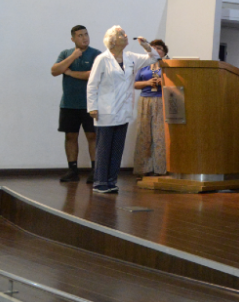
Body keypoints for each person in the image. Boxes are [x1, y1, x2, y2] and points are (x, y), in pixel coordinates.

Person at [86, 26, 161, 194]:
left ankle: (111, 181)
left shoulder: (131, 57)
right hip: (106, 110)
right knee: (104, 148)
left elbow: (155, 58)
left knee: (117, 149)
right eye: (121, 34)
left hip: (124, 110)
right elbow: (92, 84)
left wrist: (146, 46)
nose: (126, 35)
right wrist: (92, 107)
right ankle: (100, 182)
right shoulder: (102, 59)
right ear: (112, 40)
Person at [50, 25, 101, 184]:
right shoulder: (66, 54)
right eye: (80, 35)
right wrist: (73, 57)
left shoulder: (96, 54)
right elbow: (55, 71)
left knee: (92, 136)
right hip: (69, 104)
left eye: (86, 34)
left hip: (90, 104)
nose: (84, 38)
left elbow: (92, 75)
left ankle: (96, 170)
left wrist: (70, 72)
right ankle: (72, 170)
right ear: (73, 39)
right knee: (70, 136)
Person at [133, 39, 169, 177]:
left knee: (160, 135)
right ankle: (143, 169)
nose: (156, 50)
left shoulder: (168, 65)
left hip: (161, 99)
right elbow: (134, 84)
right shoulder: (144, 65)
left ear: (164, 52)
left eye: (159, 48)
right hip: (145, 100)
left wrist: (163, 81)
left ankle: (160, 169)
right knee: (143, 134)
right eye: (153, 48)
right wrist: (148, 82)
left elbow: (176, 81)